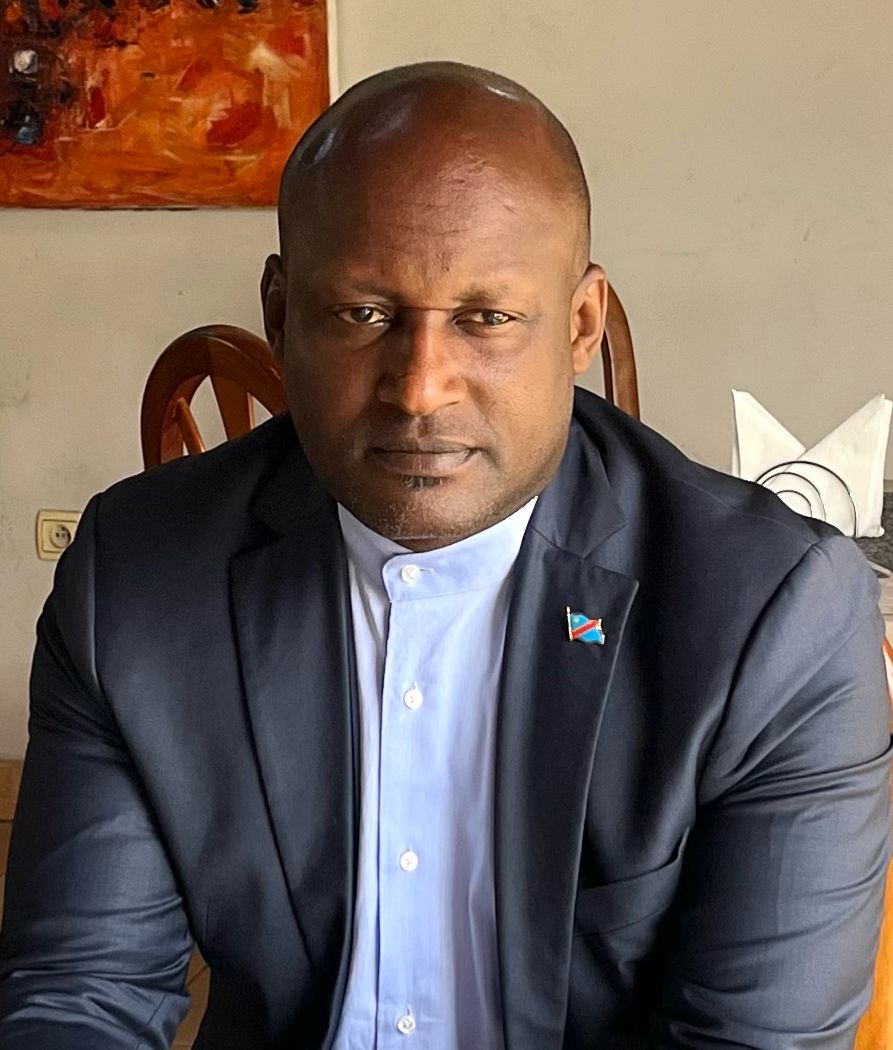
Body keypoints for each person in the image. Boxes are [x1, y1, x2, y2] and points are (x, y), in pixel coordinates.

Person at [0, 61, 890, 1050]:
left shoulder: (772, 616)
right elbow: (81, 991)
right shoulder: (136, 578)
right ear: (281, 315)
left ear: (579, 326)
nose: (420, 386)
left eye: (486, 317)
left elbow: (750, 1040)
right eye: (362, 313)